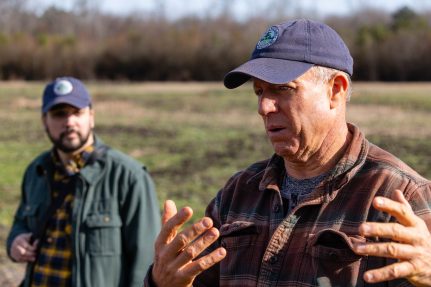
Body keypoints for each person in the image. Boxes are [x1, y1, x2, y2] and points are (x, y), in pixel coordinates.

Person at [146, 19, 431, 286]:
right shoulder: (238, 193)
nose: (264, 107)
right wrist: (162, 282)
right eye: (259, 92)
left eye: (283, 89)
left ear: (335, 91)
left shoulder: (400, 195)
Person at [6, 77, 161, 287]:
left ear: (92, 117)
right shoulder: (37, 171)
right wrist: (15, 241)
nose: (69, 122)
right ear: (44, 120)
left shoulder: (129, 176)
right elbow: (20, 222)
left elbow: (146, 262)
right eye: (59, 114)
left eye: (77, 112)